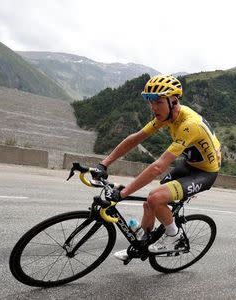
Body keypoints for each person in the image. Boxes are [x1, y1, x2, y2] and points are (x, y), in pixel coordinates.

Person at [93, 74, 221, 261]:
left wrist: (123, 193)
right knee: (149, 203)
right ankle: (141, 244)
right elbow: (135, 138)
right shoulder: (167, 115)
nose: (153, 108)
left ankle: (176, 237)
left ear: (174, 100)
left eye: (158, 102)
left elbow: (158, 167)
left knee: (155, 198)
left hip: (205, 173)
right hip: (188, 165)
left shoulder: (189, 125)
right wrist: (104, 163)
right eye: (150, 102)